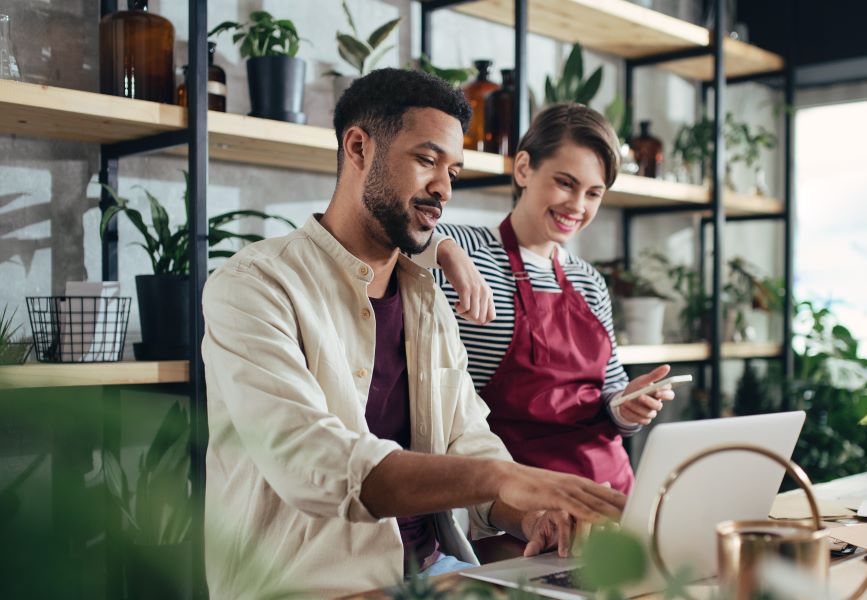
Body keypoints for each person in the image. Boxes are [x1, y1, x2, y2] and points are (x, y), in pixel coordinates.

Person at [201, 70, 625, 598]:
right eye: (427, 161)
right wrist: (502, 477)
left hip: (437, 575)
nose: (444, 188)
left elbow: (468, 439)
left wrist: (532, 513)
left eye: (453, 169)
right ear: (358, 147)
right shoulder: (255, 286)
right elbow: (313, 461)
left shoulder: (426, 296)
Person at [417, 103, 676, 495]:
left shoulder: (588, 280)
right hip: (515, 498)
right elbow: (389, 240)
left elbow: (610, 393)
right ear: (523, 168)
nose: (577, 206)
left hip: (609, 490)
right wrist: (447, 252)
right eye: (566, 183)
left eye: (594, 193)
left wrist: (628, 406)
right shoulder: (463, 249)